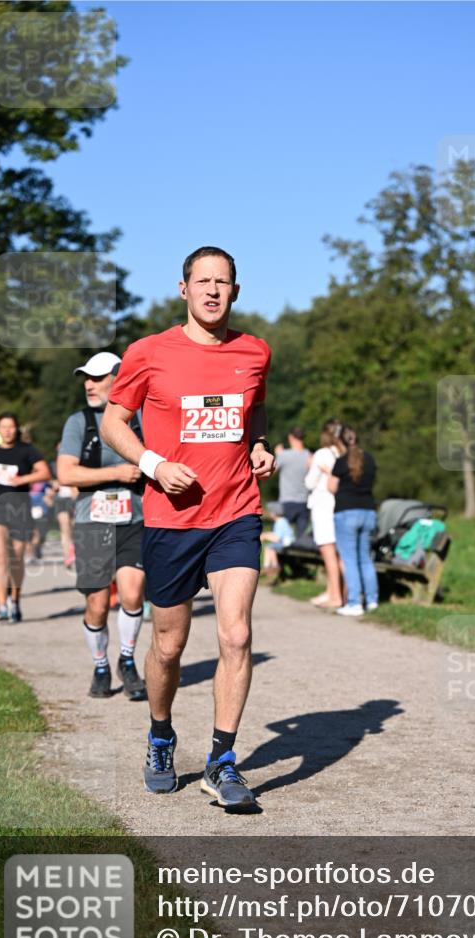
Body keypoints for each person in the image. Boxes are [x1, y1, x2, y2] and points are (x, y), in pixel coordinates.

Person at [100, 245, 274, 810]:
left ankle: (222, 761)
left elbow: (255, 411)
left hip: (235, 512)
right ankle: (160, 735)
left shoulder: (255, 351)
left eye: (223, 282)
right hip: (171, 519)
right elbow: (114, 422)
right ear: (184, 289)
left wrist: (260, 445)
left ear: (235, 291)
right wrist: (153, 464)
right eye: (203, 281)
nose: (213, 291)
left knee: (236, 635)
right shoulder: (149, 352)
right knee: (169, 645)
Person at [57, 352, 147, 702]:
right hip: (92, 522)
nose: (88, 385)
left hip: (134, 519)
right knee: (96, 604)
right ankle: (100, 666)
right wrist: (116, 473)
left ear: (118, 378)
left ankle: (127, 661)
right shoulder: (78, 422)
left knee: (132, 593)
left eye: (96, 377)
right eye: (86, 378)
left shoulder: (140, 417)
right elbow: (66, 473)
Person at [0, 412, 51, 622]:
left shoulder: (27, 450)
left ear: (16, 429)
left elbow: (45, 472)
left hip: (19, 508)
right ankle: (2, 605)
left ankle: (14, 599)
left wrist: (22, 480)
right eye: (3, 427)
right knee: (0, 555)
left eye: (11, 427)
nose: (7, 431)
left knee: (16, 559)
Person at [328, 424, 379, 616]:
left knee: (349, 559)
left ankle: (355, 602)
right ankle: (372, 600)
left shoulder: (341, 462)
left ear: (341, 441)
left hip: (346, 512)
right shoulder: (370, 459)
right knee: (365, 558)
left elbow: (331, 487)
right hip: (368, 511)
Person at [304, 418, 346, 608]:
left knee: (328, 552)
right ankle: (336, 592)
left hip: (323, 506)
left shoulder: (322, 454)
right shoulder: (344, 452)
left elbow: (310, 483)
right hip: (341, 505)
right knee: (340, 553)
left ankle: (335, 596)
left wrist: (310, 465)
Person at [274, 426, 310, 539]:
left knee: (283, 537)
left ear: (291, 437)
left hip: (287, 501)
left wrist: (278, 455)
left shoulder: (284, 455)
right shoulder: (310, 456)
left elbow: (271, 471)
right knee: (301, 539)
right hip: (304, 501)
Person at [52, 443, 76, 568]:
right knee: (64, 526)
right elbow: (49, 480)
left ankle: (73, 548)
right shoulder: (53, 465)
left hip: (72, 498)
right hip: (61, 498)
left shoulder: (75, 462)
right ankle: (67, 555)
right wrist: (53, 484)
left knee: (74, 526)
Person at [260, 501, 295, 572]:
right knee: (270, 547)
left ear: (274, 513)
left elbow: (277, 538)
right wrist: (266, 534)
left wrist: (265, 536)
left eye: (271, 512)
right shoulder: (281, 521)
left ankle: (271, 566)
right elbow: (276, 534)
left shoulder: (280, 522)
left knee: (269, 547)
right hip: (285, 542)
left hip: (287, 543)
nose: (270, 513)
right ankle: (269, 566)